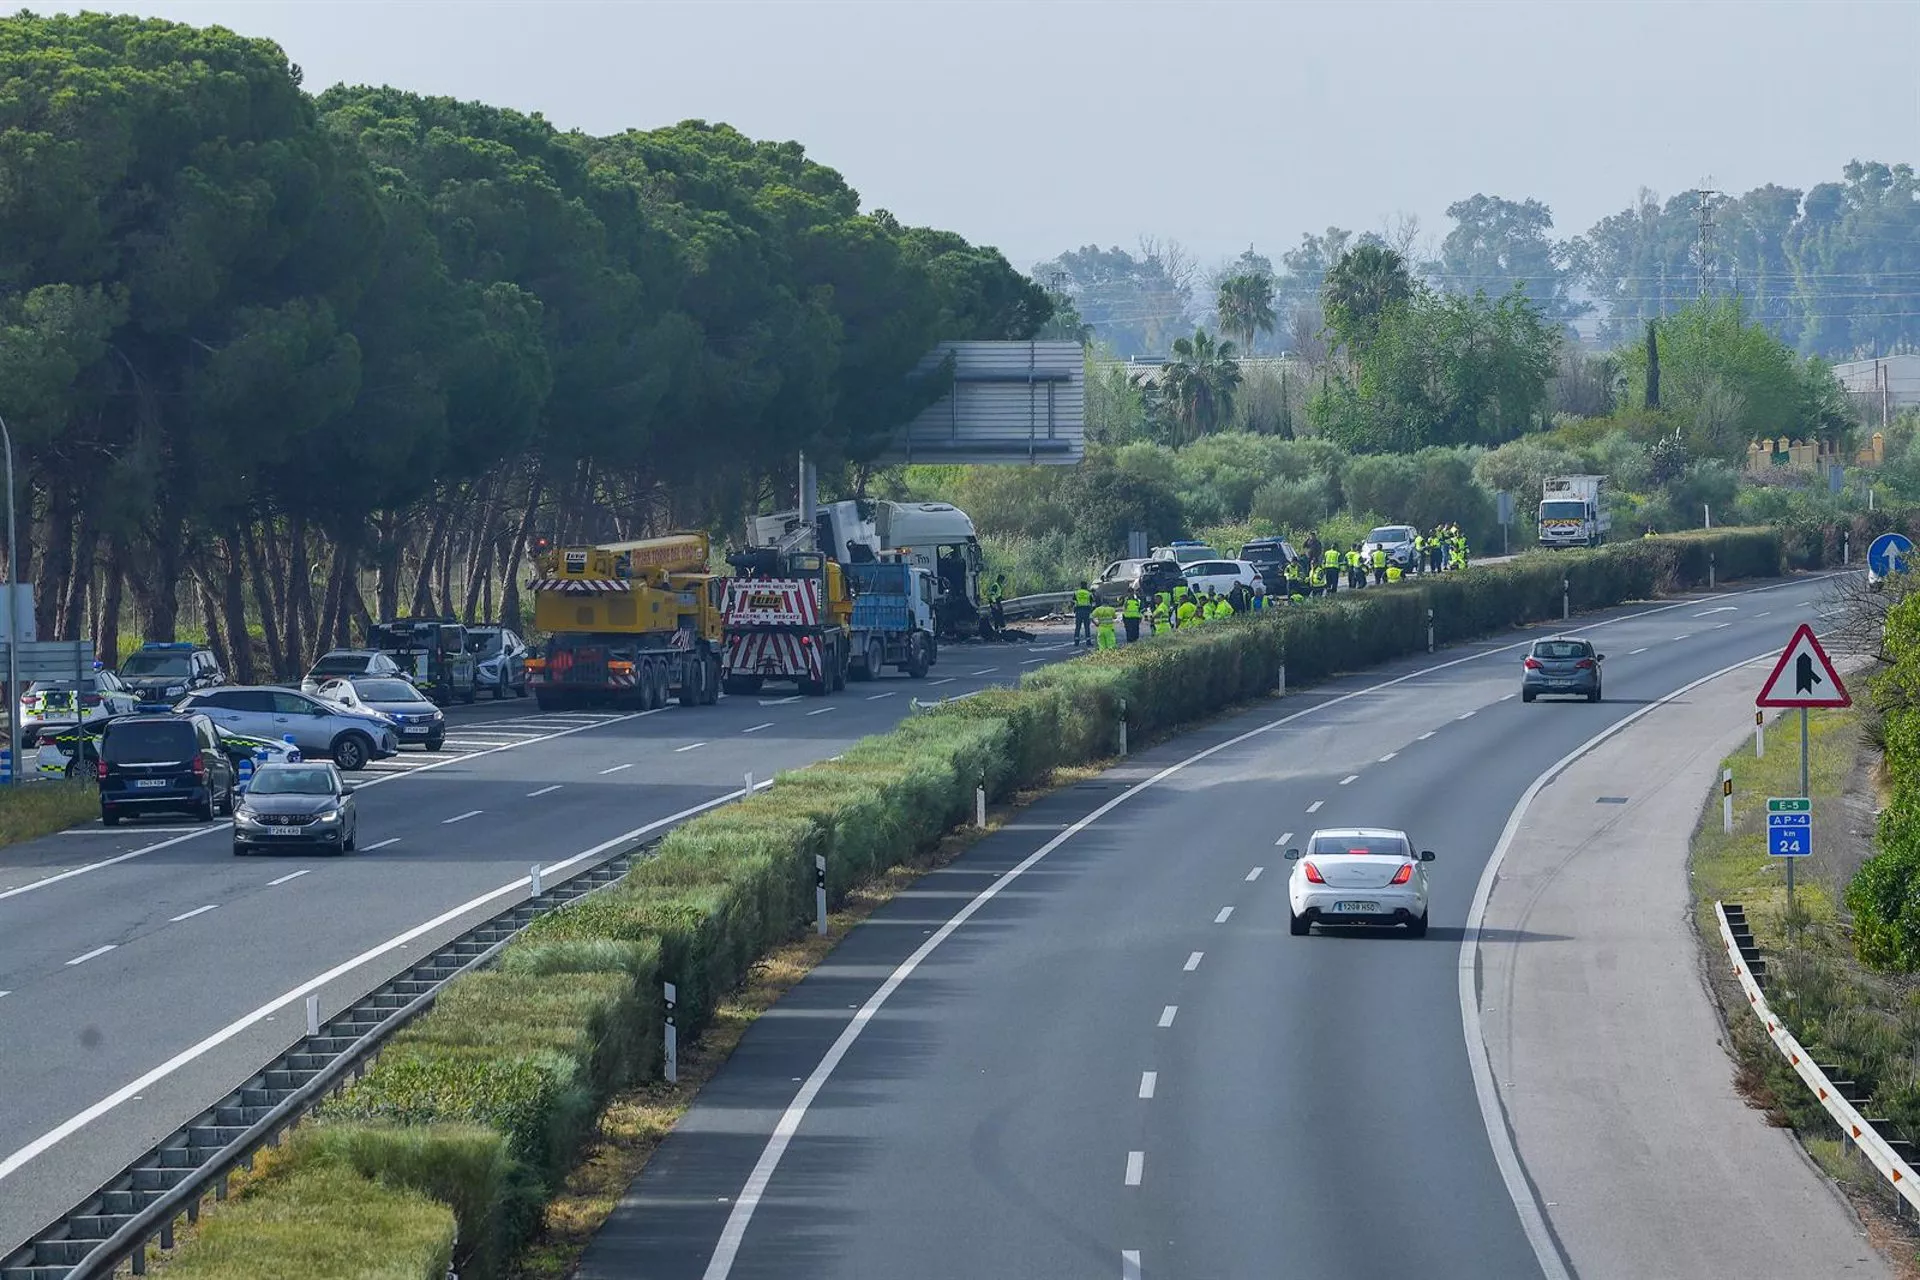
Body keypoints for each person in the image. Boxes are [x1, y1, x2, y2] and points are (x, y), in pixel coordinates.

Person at [1073, 582, 1094, 647]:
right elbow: (1091, 602)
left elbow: (1074, 601)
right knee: (1087, 627)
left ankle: (1076, 642)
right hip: (1086, 611)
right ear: (1086, 586)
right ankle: (1088, 642)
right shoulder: (1088, 593)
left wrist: (1074, 610)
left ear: (1080, 586)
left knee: (1078, 627)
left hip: (1078, 611)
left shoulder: (1076, 593)